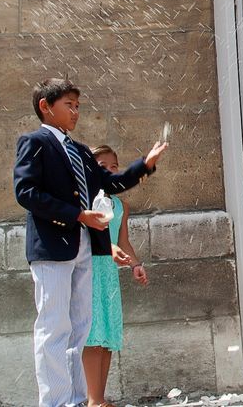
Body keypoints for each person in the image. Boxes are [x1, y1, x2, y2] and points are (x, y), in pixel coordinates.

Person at [14, 78, 166, 407]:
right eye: (68, 105)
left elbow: (109, 183)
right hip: (52, 246)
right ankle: (54, 402)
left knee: (80, 327)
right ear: (45, 106)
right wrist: (77, 215)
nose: (75, 112)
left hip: (85, 247)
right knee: (53, 326)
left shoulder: (81, 151)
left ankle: (77, 400)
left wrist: (145, 165)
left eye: (78, 106)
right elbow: (25, 192)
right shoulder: (35, 142)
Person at [83, 145, 150, 407]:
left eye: (114, 167)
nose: (110, 172)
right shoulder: (87, 202)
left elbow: (123, 242)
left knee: (108, 335)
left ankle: (99, 397)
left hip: (109, 273)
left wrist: (135, 265)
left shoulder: (121, 206)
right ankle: (93, 399)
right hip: (89, 268)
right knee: (93, 334)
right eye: (103, 167)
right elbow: (88, 237)